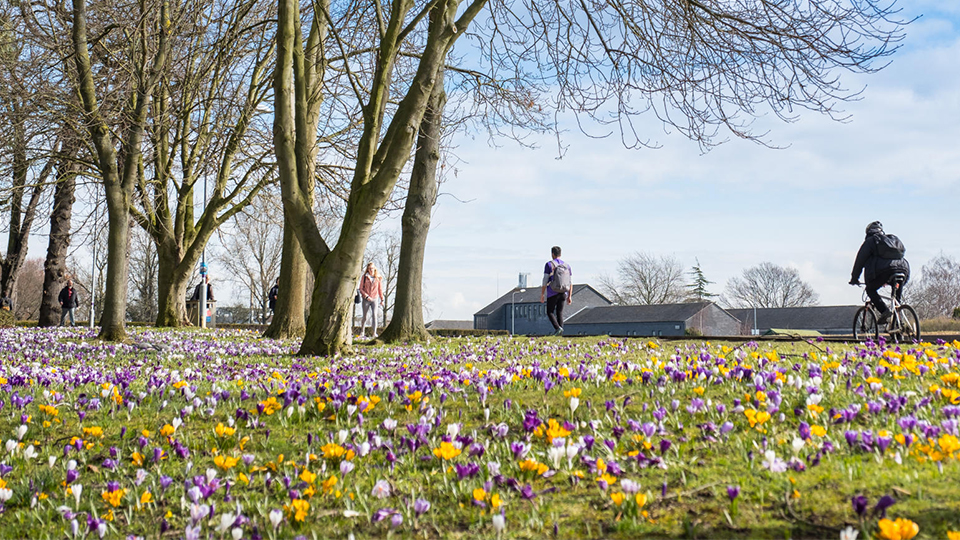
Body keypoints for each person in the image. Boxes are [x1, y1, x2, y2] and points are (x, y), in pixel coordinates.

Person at [850, 221, 910, 325]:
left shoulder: (870, 241)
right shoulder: (893, 240)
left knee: (870, 289)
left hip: (885, 270)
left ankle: (884, 311)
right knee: (896, 302)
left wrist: (854, 278)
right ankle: (899, 327)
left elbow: (860, 260)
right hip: (903, 269)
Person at [540, 246, 573, 335]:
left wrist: (542, 293)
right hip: (563, 292)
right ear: (560, 254)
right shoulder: (567, 266)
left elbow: (545, 280)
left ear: (552, 254)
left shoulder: (549, 264)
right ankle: (560, 333)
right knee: (560, 312)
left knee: (550, 311)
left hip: (552, 291)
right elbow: (570, 282)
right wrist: (569, 296)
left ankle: (558, 328)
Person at [358, 262, 384, 338]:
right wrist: (366, 296)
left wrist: (382, 299)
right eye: (369, 269)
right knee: (365, 316)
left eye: (372, 268)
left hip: (374, 299)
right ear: (367, 269)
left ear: (374, 268)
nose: (371, 270)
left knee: (374, 315)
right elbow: (360, 288)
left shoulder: (378, 278)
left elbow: (380, 289)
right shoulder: (365, 277)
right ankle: (362, 332)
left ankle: (374, 333)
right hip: (366, 299)